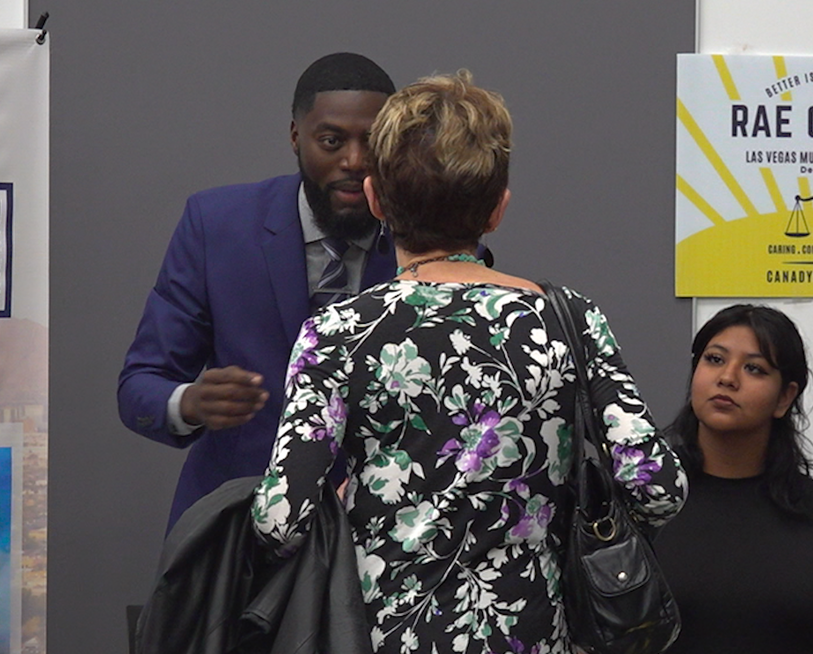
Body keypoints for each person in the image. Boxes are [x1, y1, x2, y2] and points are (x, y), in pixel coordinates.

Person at [250, 71, 688, 654]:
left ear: (376, 198)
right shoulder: (566, 319)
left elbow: (279, 522)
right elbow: (659, 487)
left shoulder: (337, 334)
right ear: (498, 210)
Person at [118, 53, 398, 530]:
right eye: (331, 141)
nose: (354, 160)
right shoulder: (218, 226)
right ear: (296, 136)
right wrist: (189, 402)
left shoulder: (427, 239)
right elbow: (139, 385)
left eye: (371, 142)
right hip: (237, 533)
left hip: (382, 538)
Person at [655, 305, 813, 654]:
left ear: (785, 397)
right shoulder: (642, 507)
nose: (728, 377)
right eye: (714, 359)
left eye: (754, 368)